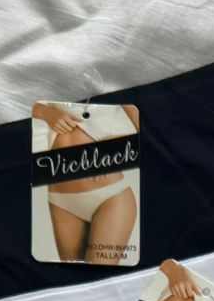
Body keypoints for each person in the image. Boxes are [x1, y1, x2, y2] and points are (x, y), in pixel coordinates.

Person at [33, 101, 140, 264]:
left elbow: (144, 129)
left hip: (110, 196)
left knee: (98, 275)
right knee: (73, 276)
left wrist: (114, 149)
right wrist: (46, 112)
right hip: (60, 200)